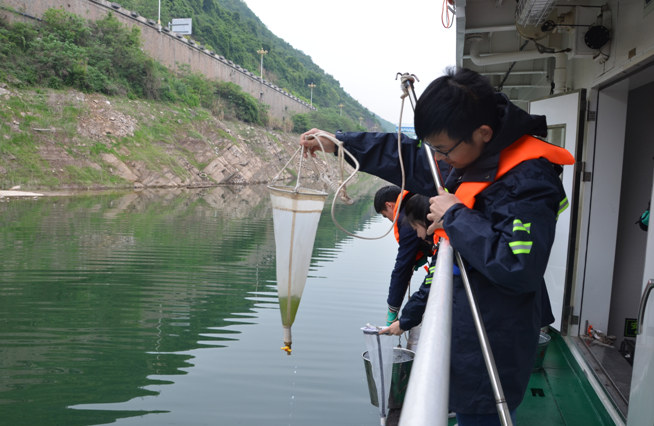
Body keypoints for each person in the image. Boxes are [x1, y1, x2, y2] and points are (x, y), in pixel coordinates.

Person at [300, 67, 574, 425]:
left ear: (483, 133)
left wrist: (456, 214)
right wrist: (340, 144)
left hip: (492, 343)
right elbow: (409, 158)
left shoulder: (528, 179)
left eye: (443, 150)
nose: (439, 159)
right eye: (435, 149)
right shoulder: (476, 156)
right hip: (465, 333)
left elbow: (518, 266)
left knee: (481, 415)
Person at [374, 185, 433, 326]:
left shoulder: (407, 216)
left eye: (385, 214)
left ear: (389, 205)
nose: (389, 219)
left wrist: (393, 308)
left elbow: (402, 267)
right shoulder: (419, 197)